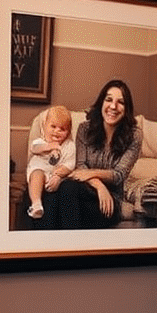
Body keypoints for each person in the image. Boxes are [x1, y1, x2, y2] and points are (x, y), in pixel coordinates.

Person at [53, 79, 142, 230]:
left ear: (126, 109)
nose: (113, 106)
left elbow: (119, 175)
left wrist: (91, 174)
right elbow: (80, 165)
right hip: (86, 191)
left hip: (110, 200)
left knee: (65, 199)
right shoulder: (84, 129)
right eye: (109, 100)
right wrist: (100, 186)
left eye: (120, 102)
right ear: (101, 102)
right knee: (61, 192)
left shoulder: (135, 136)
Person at [25, 104, 75, 220]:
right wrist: (48, 146)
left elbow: (69, 165)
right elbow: (34, 148)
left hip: (54, 175)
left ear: (68, 132)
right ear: (45, 126)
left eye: (62, 129)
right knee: (37, 175)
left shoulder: (69, 146)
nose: (57, 131)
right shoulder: (41, 141)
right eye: (53, 126)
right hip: (38, 171)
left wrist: (57, 176)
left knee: (65, 185)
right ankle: (36, 204)